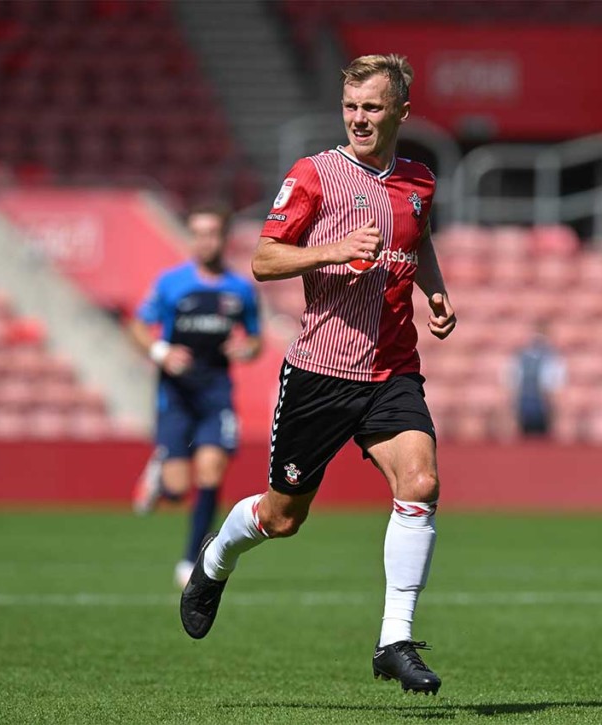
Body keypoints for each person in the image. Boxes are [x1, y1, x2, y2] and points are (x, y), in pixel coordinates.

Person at [179, 54, 456, 696]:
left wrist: (434, 291)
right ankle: (216, 558)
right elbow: (264, 259)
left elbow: (420, 239)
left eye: (373, 107)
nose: (360, 119)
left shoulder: (418, 180)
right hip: (320, 374)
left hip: (393, 369)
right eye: (352, 107)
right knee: (282, 518)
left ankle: (395, 640)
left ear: (400, 113)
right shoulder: (315, 176)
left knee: (422, 480)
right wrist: (334, 248)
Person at [129, 202, 262, 589]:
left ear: (223, 238)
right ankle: (161, 477)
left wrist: (247, 349)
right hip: (176, 393)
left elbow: (253, 337)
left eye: (212, 233)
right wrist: (161, 352)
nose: (204, 241)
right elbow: (138, 326)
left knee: (212, 472)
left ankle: (191, 559)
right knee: (177, 488)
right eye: (198, 233)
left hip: (216, 392)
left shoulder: (239, 290)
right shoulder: (171, 283)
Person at [505, 324, 566, 437]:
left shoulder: (552, 357)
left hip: (544, 404)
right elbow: (512, 380)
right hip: (524, 402)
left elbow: (555, 384)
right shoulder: (520, 356)